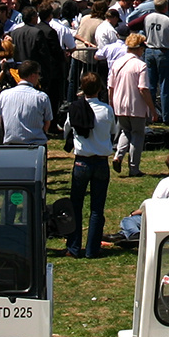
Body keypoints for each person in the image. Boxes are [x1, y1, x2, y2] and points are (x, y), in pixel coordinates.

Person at [65, 72, 115, 258]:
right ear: (100, 89)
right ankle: (92, 248)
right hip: (101, 161)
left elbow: (67, 129)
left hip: (82, 160)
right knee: (97, 208)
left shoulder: (75, 108)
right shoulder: (106, 110)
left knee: (76, 205)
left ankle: (73, 246)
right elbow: (113, 131)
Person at [109, 33, 156, 177]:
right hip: (136, 105)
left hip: (119, 103)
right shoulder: (140, 65)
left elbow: (110, 86)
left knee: (125, 131)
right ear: (139, 48)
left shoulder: (117, 63)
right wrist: (152, 109)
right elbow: (143, 88)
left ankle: (118, 155)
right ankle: (134, 167)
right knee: (137, 134)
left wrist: (111, 104)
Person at [0, 59, 52, 145]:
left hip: (10, 143)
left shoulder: (4, 95)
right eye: (38, 74)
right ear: (33, 75)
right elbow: (47, 122)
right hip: (36, 144)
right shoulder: (41, 97)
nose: (39, 77)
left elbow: (0, 120)